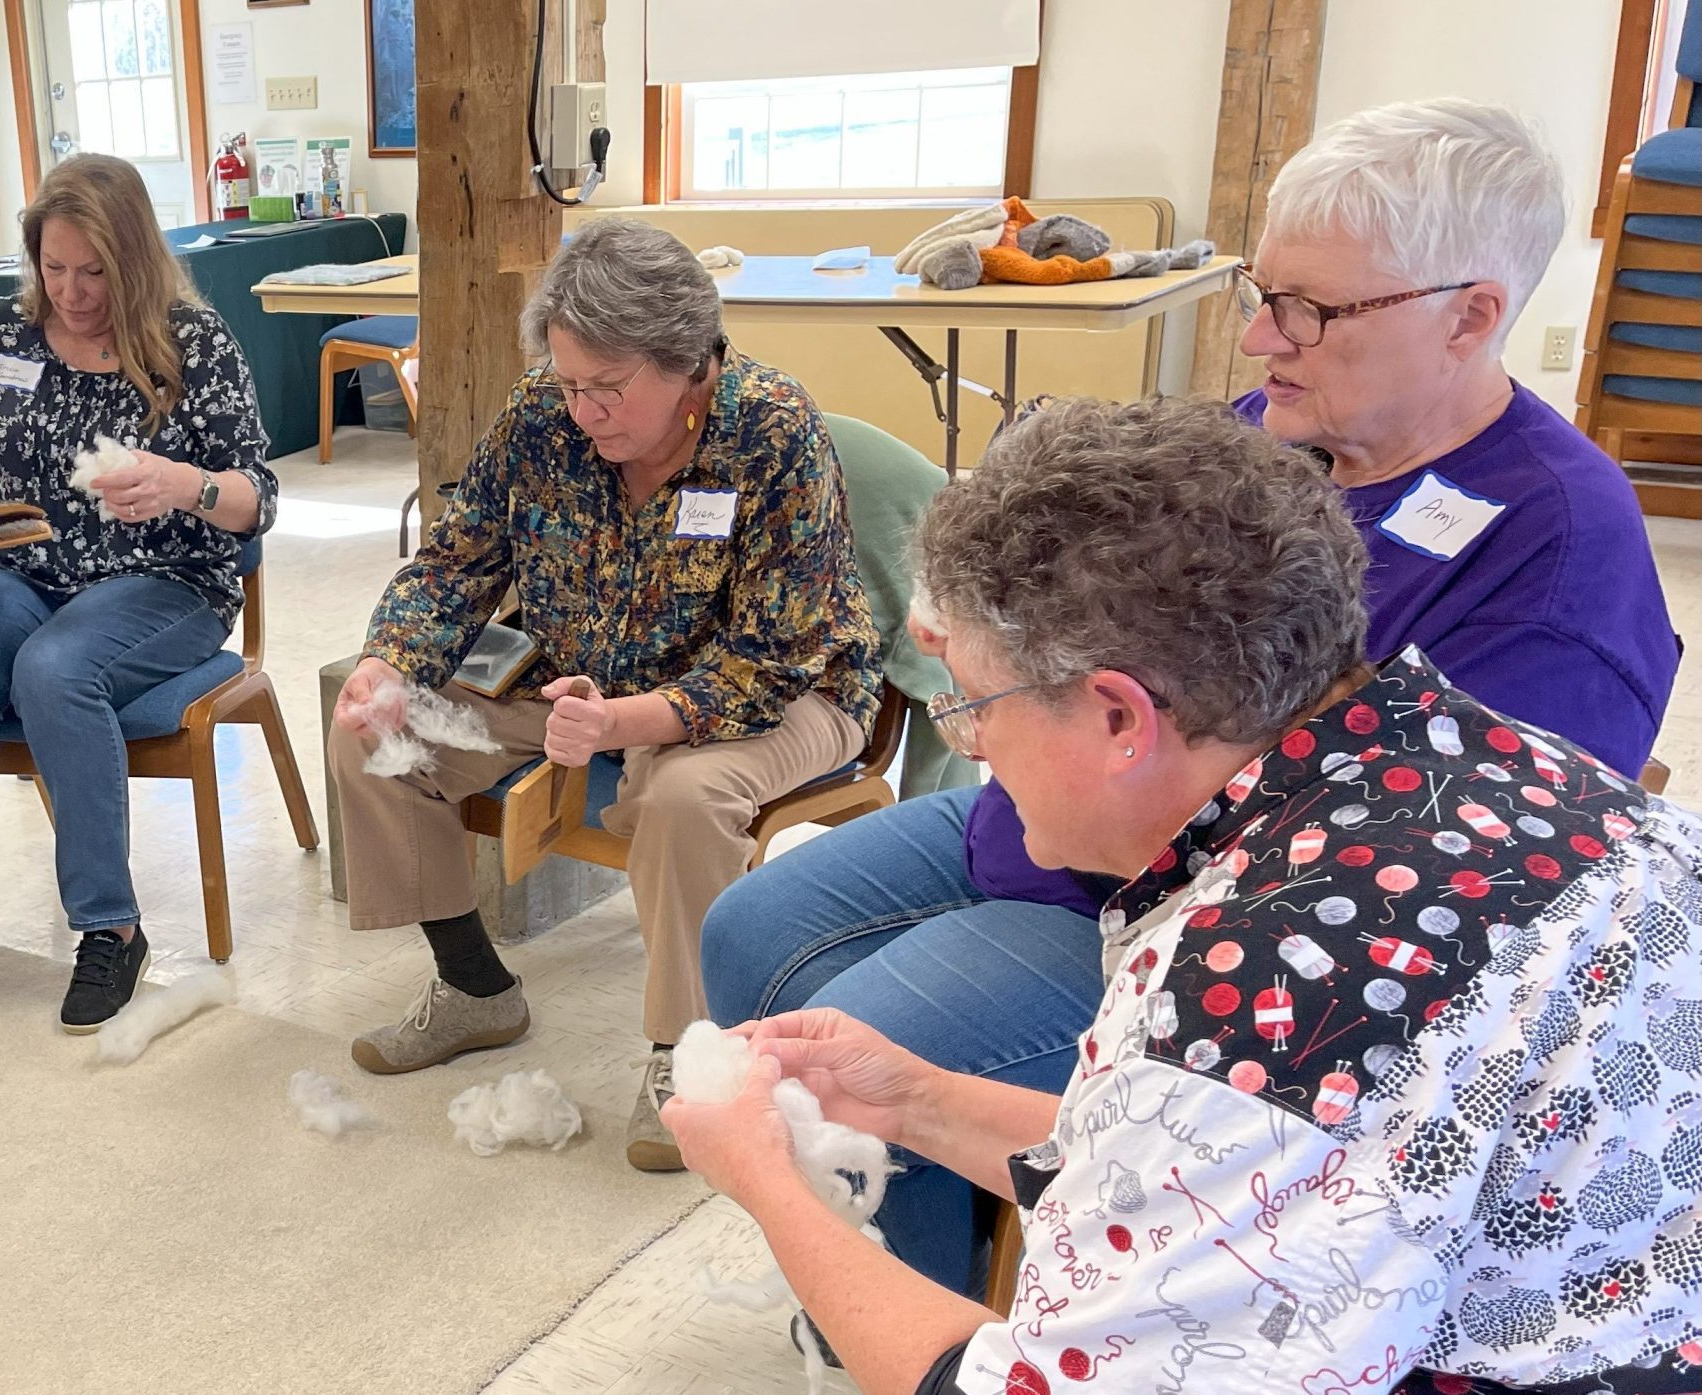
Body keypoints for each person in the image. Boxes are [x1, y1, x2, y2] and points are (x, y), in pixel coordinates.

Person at [699, 97, 1682, 1300]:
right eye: (1260, 294)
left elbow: (1426, 924)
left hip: (1211, 915)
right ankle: (901, 1229)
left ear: (1470, 316)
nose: (1265, 341)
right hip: (1053, 803)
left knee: (874, 1039)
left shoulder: (1558, 561)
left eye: (1313, 311)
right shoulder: (1276, 430)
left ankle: (949, 1310)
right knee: (749, 937)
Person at [665, 395, 1702, 1395]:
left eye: (977, 706)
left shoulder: (1254, 987)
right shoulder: (1465, 747)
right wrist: (915, 1101)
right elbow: (1224, 1172)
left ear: (1121, 717)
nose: (969, 744)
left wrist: (769, 1185)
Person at [328, 217, 883, 1172]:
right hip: (585, 676)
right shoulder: (542, 412)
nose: (582, 408)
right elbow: (458, 563)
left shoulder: (775, 430)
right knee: (377, 733)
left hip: (788, 688)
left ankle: (690, 1054)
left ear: (688, 361)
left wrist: (627, 725)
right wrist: (390, 660)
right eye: (570, 382)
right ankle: (474, 988)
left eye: (607, 388)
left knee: (680, 793)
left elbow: (771, 657)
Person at [0, 154, 277, 1037]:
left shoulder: (192, 343)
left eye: (94, 271)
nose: (72, 289)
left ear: (133, 259)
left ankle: (110, 926)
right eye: (54, 268)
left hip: (165, 582)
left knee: (55, 670)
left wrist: (183, 484)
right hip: (21, 571)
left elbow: (257, 495)